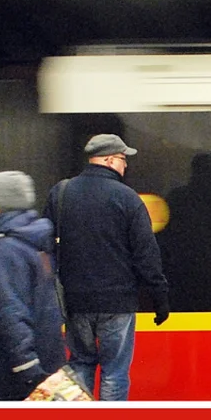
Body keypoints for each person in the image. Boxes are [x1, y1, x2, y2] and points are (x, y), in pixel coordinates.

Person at [44, 134, 169, 400]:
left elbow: (45, 244)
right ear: (110, 160)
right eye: (124, 160)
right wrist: (159, 299)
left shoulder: (62, 193)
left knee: (80, 363)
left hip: (75, 302)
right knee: (114, 371)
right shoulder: (127, 198)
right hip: (117, 302)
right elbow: (146, 255)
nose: (125, 166)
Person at [0, 171, 65, 400]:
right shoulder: (35, 244)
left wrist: (27, 366)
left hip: (8, 366)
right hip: (45, 357)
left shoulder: (6, 251)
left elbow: (10, 311)